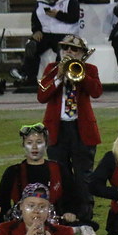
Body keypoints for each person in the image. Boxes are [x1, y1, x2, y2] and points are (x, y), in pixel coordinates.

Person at [38, 35, 102, 222]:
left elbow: (96, 92)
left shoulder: (89, 69)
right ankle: (62, 214)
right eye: (65, 48)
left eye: (74, 49)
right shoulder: (52, 68)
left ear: (82, 53)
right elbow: (42, 96)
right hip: (57, 129)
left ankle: (84, 216)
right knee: (59, 173)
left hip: (81, 128)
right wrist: (58, 78)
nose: (68, 52)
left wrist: (80, 76)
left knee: (83, 176)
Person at [0, 123, 81, 224]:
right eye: (30, 143)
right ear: (23, 145)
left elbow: (72, 197)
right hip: (22, 228)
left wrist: (70, 213)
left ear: (46, 144)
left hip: (55, 227)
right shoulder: (13, 172)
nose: (34, 147)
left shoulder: (58, 169)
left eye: (39, 142)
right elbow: (2, 205)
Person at [10, 0, 80, 87]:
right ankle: (28, 77)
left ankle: (59, 78)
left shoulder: (70, 0)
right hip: (46, 34)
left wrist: (58, 15)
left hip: (66, 34)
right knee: (31, 45)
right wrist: (36, 30)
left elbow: (74, 18)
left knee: (63, 51)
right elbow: (35, 19)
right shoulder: (40, 2)